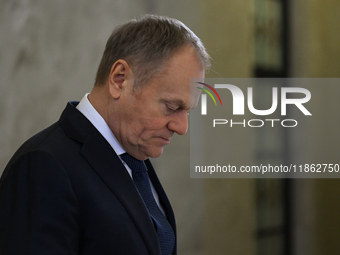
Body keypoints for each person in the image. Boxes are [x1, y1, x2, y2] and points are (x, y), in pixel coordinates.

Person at [0, 15, 210, 255]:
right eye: (172, 107)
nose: (181, 128)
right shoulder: (43, 165)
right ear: (119, 79)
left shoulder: (133, 153)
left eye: (187, 112)